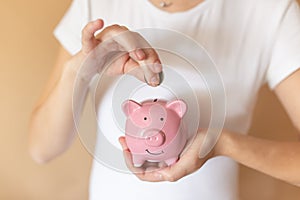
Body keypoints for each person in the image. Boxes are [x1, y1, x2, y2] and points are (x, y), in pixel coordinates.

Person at [29, 0, 300, 199]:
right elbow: (41, 149)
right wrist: (83, 69)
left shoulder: (269, 10)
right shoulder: (96, 4)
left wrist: (223, 143)